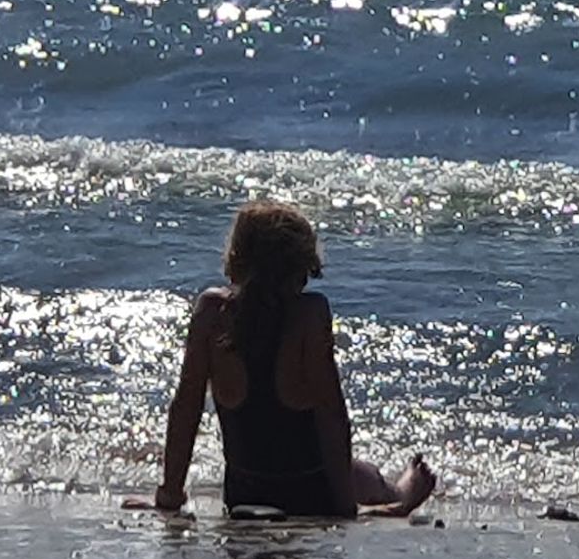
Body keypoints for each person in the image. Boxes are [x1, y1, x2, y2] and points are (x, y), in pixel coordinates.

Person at [153, 201, 436, 519]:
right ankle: (399, 496)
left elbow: (186, 407)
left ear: (237, 258)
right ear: (301, 267)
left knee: (357, 471)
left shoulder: (211, 311)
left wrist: (169, 494)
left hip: (243, 493)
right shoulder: (309, 314)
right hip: (310, 494)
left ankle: (390, 494)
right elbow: (332, 416)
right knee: (366, 474)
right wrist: (346, 509)